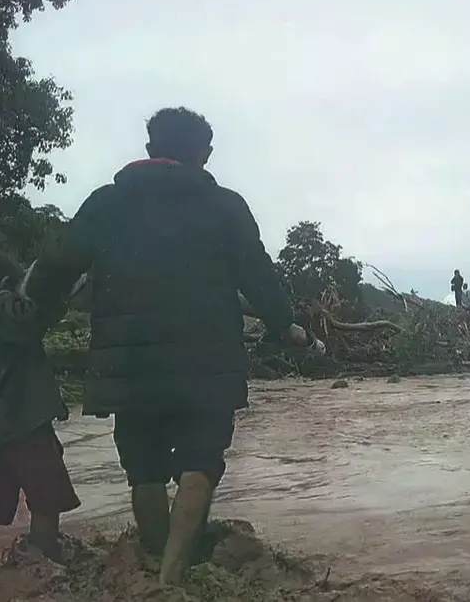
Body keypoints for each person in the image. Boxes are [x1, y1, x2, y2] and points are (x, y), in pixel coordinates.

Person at [22, 107, 315, 585]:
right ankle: (172, 577)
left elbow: (55, 265)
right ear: (204, 154)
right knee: (201, 460)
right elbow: (258, 275)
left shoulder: (105, 203)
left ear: (150, 147)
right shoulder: (225, 206)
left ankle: (152, 563)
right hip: (208, 359)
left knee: (144, 467)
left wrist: (29, 315)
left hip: (129, 364)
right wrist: (287, 327)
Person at [0, 250, 80, 562]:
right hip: (20, 423)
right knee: (47, 494)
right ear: (5, 284)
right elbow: (31, 317)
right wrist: (51, 280)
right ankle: (42, 557)